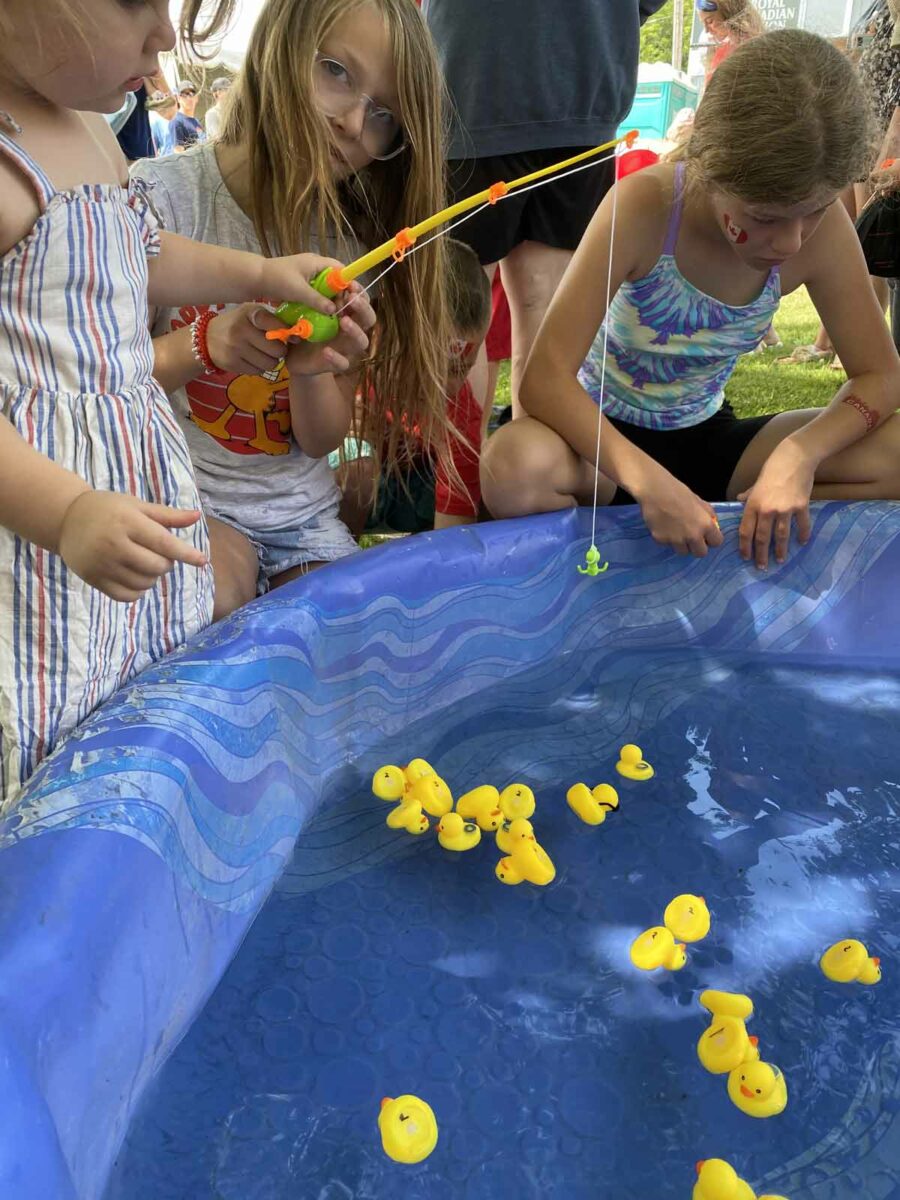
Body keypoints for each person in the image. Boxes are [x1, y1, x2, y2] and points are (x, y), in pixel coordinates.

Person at [0, 0, 345, 807]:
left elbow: (142, 253)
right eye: (134, 3)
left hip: (123, 496)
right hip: (41, 524)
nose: (162, 35)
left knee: (137, 695)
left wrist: (261, 275)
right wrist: (66, 512)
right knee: (52, 726)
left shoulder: (87, 129)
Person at [481, 31, 900, 572]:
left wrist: (801, 455)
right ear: (710, 165)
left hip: (710, 442)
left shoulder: (822, 233)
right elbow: (544, 379)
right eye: (764, 217)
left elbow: (881, 377)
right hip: (601, 448)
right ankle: (603, 563)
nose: (793, 241)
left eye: (815, 209)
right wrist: (646, 481)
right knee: (513, 467)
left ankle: (739, 534)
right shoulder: (646, 207)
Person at [136, 0, 453, 617]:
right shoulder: (164, 199)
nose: (355, 121)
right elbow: (105, 383)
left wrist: (310, 372)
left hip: (304, 519)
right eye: (336, 70)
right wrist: (200, 346)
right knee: (219, 601)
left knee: (347, 631)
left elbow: (320, 439)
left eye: (385, 113)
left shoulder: (354, 254)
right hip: (187, 500)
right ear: (281, 44)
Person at [423, 0, 668, 418]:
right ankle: (501, 478)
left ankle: (467, 478)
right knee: (504, 314)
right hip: (579, 79)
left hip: (474, 76)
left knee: (457, 319)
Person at [338, 238, 491, 534]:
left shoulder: (457, 416)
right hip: (345, 484)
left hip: (410, 492)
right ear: (382, 331)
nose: (444, 384)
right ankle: (336, 552)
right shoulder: (352, 362)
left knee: (484, 488)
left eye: (459, 369)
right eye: (426, 366)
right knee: (353, 471)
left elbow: (454, 532)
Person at [696, 0, 765, 82]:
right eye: (703, 23)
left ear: (728, 14)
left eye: (709, 21)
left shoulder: (751, 49)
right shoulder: (723, 49)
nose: (706, 30)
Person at [168, 79, 206, 152]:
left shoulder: (196, 121)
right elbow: (179, 154)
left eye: (191, 94)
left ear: (196, 98)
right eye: (184, 95)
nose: (189, 98)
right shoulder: (176, 121)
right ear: (178, 99)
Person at [147, 90, 177, 155]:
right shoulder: (155, 121)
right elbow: (154, 147)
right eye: (158, 98)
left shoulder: (180, 118)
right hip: (167, 160)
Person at [204, 75, 231, 140]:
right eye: (226, 89)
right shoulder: (212, 114)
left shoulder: (232, 112)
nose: (230, 92)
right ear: (217, 93)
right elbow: (218, 139)